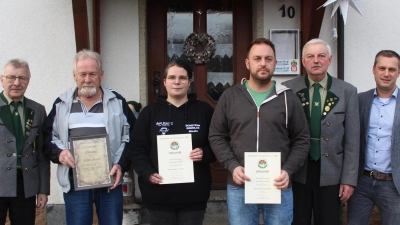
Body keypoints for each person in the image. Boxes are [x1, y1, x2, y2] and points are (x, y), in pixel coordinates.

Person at [209, 38, 310, 225]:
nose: (263, 63)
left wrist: (288, 170)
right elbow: (216, 136)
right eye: (257, 58)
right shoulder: (230, 97)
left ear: (275, 63)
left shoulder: (288, 98)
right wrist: (232, 165)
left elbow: (302, 139)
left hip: (278, 185)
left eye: (268, 58)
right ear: (248, 63)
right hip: (241, 185)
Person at [42, 49, 135, 225]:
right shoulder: (61, 104)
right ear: (74, 75)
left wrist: (120, 164)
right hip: (75, 181)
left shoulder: (117, 101)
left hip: (110, 181)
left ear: (101, 75)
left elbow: (131, 137)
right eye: (82, 74)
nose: (87, 79)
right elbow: (48, 137)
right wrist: (60, 154)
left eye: (92, 74)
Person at [120, 59, 215, 225]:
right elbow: (137, 149)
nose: (177, 82)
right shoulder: (150, 113)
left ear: (189, 82)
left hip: (193, 195)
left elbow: (218, 144)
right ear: (164, 82)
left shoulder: (205, 111)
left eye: (182, 78)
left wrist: (205, 153)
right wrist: (147, 172)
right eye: (172, 77)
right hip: (158, 196)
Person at [282, 38, 360, 225]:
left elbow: (353, 140)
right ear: (303, 61)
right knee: (297, 220)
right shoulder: (287, 89)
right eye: (310, 56)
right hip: (297, 171)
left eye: (321, 56)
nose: (316, 60)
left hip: (332, 172)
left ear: (330, 59)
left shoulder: (347, 91)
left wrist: (348, 180)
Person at [347, 50, 400, 225]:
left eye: (392, 69)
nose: (386, 74)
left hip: (393, 185)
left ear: (398, 72)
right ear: (374, 69)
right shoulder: (360, 100)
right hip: (362, 181)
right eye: (382, 68)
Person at [0, 59, 50, 225]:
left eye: (22, 78)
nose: (16, 83)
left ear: (28, 81)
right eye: (11, 77)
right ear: (2, 79)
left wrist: (43, 190)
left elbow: (42, 153)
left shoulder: (37, 110)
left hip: (26, 184)